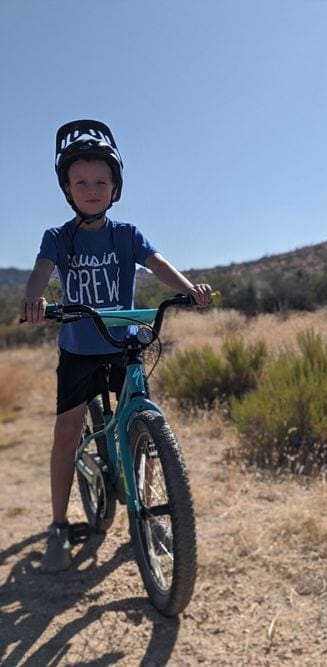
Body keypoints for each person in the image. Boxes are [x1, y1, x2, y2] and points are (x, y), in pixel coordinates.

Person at [20, 119, 211, 573]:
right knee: (67, 433)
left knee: (140, 427)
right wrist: (34, 299)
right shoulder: (58, 237)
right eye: (80, 181)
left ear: (115, 187)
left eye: (100, 181)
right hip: (79, 347)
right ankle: (59, 525)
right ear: (67, 188)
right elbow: (42, 271)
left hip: (121, 342)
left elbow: (157, 264)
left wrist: (189, 290)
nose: (91, 188)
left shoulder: (127, 235)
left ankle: (144, 508)